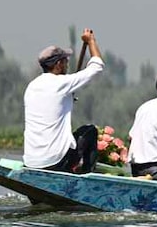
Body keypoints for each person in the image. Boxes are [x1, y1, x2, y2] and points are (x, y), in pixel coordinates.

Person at [22, 29, 105, 173]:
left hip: (31, 160)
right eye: (66, 62)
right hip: (55, 160)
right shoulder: (61, 83)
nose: (67, 65)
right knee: (90, 131)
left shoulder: (32, 86)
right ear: (58, 64)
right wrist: (91, 40)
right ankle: (87, 175)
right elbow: (97, 66)